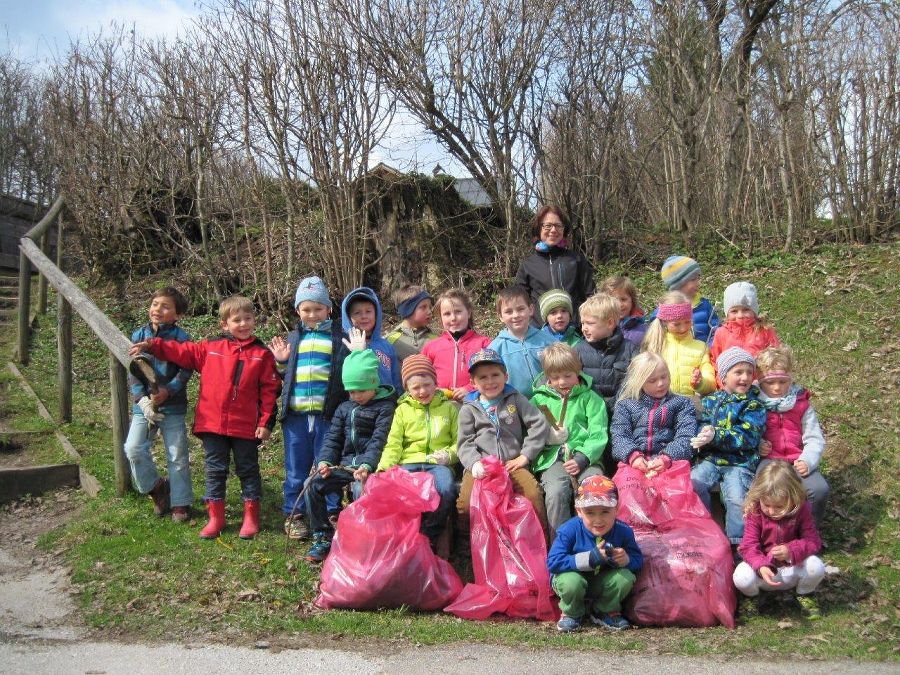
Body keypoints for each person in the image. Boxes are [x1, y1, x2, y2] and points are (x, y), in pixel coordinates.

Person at [129, 295, 280, 540]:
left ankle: (251, 516)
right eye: (237, 320)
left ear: (255, 320)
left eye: (248, 319)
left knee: (248, 469)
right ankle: (216, 517)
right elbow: (181, 352)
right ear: (224, 325)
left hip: (245, 426)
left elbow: (270, 391)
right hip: (213, 424)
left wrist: (265, 423)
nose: (243, 324)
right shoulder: (211, 346)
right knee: (214, 470)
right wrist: (153, 345)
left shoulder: (262, 354)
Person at [268, 276, 347, 541]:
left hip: (328, 415)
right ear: (298, 311)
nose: (312, 314)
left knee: (328, 466)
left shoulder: (340, 339)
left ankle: (331, 512)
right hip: (297, 416)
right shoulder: (293, 339)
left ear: (329, 309)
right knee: (295, 468)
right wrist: (281, 363)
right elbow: (285, 377)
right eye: (306, 309)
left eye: (318, 309)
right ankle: (295, 514)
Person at [304, 349, 397, 563]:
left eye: (361, 390)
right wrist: (325, 461)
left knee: (360, 490)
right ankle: (323, 535)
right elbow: (333, 439)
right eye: (351, 391)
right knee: (312, 484)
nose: (356, 396)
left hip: (370, 466)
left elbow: (379, 441)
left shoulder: (386, 407)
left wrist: (367, 465)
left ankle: (363, 540)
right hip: (345, 464)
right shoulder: (345, 408)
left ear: (374, 382)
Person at [456, 349, 550, 538]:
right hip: (482, 467)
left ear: (505, 376)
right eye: (483, 377)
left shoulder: (515, 399)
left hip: (512, 464)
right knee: (466, 504)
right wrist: (474, 463)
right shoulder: (468, 409)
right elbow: (464, 442)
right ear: (473, 382)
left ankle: (540, 539)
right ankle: (469, 542)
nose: (490, 381)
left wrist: (525, 455)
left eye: (495, 375)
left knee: (532, 495)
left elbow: (538, 424)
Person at [123, 287, 194, 522]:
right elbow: (134, 368)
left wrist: (169, 390)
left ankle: (180, 503)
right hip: (143, 405)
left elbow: (186, 370)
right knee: (133, 448)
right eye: (155, 304)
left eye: (165, 306)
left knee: (177, 455)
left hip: (172, 405)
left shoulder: (182, 338)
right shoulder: (138, 335)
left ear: (177, 315)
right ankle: (157, 488)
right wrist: (141, 399)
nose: (158, 309)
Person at [690, 347, 767, 549]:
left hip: (740, 463)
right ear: (723, 377)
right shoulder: (711, 401)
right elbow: (700, 423)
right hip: (711, 459)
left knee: (737, 498)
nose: (745, 378)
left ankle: (738, 546)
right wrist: (702, 434)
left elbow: (748, 437)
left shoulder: (753, 405)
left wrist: (716, 435)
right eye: (738, 372)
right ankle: (705, 534)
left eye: (749, 373)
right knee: (693, 483)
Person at [377, 355, 457, 547]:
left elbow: (459, 441)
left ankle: (428, 534)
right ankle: (403, 536)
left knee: (446, 489)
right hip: (409, 462)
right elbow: (394, 443)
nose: (422, 391)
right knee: (397, 492)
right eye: (416, 388)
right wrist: (383, 468)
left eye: (427, 385)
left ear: (435, 383)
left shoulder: (449, 408)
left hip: (438, 464)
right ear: (407, 389)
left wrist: (449, 456)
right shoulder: (402, 410)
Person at [529, 343, 608, 537]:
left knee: (595, 486)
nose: (562, 382)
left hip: (587, 458)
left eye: (568, 376)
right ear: (547, 376)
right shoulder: (538, 401)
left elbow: (598, 434)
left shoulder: (590, 398)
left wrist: (583, 458)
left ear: (578, 372)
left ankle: (597, 540)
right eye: (555, 377)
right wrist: (547, 439)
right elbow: (530, 431)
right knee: (556, 491)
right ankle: (561, 544)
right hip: (551, 459)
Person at [547, 475, 643, 632]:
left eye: (605, 511)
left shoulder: (624, 531)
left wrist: (626, 560)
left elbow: (638, 559)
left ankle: (604, 610)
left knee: (624, 577)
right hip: (573, 580)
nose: (598, 520)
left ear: (616, 509)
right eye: (590, 513)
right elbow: (553, 563)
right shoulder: (569, 530)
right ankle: (572, 612)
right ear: (579, 511)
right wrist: (589, 559)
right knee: (571, 582)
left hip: (602, 582)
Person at [733, 461, 825, 620]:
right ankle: (751, 598)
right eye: (766, 504)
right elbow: (748, 546)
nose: (771, 511)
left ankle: (805, 593)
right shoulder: (755, 512)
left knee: (816, 566)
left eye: (779, 506)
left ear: (794, 498)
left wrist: (791, 550)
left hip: (792, 568)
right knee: (741, 576)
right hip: (764, 573)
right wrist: (761, 565)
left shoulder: (802, 510)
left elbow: (813, 541)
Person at [756, 346, 830, 524]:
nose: (776, 388)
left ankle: (808, 532)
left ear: (790, 378)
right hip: (769, 460)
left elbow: (814, 438)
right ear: (759, 381)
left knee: (819, 489)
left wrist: (808, 460)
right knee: (766, 488)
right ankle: (769, 533)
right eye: (770, 382)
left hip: (797, 459)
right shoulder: (754, 403)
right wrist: (758, 444)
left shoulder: (801, 404)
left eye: (782, 382)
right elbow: (747, 431)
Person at [609, 353, 696, 474]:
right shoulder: (625, 405)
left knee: (676, 491)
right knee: (631, 491)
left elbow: (686, 436)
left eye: (664, 377)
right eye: (652, 380)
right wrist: (633, 456)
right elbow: (619, 435)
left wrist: (667, 457)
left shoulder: (681, 404)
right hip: (634, 464)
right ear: (640, 382)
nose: (660, 383)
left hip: (671, 464)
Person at [515, 205, 596, 327]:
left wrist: (585, 322)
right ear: (538, 229)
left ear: (564, 230)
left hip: (575, 332)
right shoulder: (528, 265)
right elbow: (519, 303)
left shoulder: (576, 260)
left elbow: (591, 295)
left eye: (558, 225)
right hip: (540, 335)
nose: (553, 230)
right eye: (547, 225)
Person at [640, 291, 715, 397]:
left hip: (691, 405)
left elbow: (711, 381)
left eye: (687, 322)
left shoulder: (701, 348)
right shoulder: (655, 345)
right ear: (665, 322)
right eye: (676, 324)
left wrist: (701, 382)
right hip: (660, 403)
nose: (683, 328)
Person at [421, 288, 491, 402]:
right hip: (439, 406)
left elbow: (492, 374)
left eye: (458, 312)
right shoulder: (431, 347)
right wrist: (433, 389)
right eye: (447, 314)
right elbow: (421, 376)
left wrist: (470, 388)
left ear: (468, 313)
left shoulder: (484, 344)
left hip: (475, 404)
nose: (453, 318)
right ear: (441, 318)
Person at [574, 293, 638, 416]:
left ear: (610, 323)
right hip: (589, 412)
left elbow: (634, 384)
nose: (584, 329)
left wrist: (615, 404)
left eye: (590, 323)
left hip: (621, 411)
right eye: (583, 323)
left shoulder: (630, 349)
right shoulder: (578, 350)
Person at [488, 286, 556, 398]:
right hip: (514, 405)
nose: (515, 315)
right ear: (500, 316)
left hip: (549, 400)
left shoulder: (547, 341)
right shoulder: (495, 349)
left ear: (531, 309)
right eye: (509, 311)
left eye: (520, 309)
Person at [709, 281, 780, 386]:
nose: (740, 315)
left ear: (754, 310)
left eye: (746, 310)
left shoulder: (764, 331)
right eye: (734, 311)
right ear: (727, 313)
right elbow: (715, 361)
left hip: (759, 386)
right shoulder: (721, 333)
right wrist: (722, 384)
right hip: (731, 388)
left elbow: (776, 358)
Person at [340, 286, 402, 391]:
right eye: (357, 313)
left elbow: (395, 377)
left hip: (386, 401)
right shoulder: (345, 345)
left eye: (368, 311)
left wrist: (398, 397)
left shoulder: (386, 346)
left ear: (376, 314)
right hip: (358, 402)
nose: (364, 316)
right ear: (348, 317)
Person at [658, 255, 719, 345]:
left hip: (703, 355)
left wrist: (709, 348)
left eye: (698, 278)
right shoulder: (665, 308)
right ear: (678, 284)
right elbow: (657, 335)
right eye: (693, 279)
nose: (698, 283)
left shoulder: (704, 304)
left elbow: (716, 331)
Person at [384, 285, 439, 363]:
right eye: (423, 307)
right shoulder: (389, 341)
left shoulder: (436, 340)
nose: (429, 312)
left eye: (430, 307)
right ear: (407, 310)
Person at [601, 276, 646, 348]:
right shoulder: (598, 328)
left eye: (623, 299)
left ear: (632, 301)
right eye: (614, 300)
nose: (619, 304)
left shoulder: (643, 330)